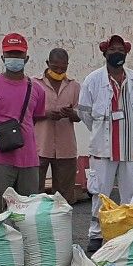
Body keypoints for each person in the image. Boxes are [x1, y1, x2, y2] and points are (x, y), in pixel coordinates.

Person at [79, 33, 133, 249]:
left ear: (126, 53)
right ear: (104, 53)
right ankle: (97, 234)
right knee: (100, 193)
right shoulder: (93, 80)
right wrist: (100, 131)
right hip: (103, 148)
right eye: (112, 50)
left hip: (131, 147)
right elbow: (85, 113)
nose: (117, 54)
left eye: (121, 50)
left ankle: (127, 232)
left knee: (131, 193)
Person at [0, 32, 48, 218]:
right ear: (2, 57)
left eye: (19, 55)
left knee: (28, 212)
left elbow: (35, 118)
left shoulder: (37, 89)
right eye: (10, 54)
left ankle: (23, 247)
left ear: (27, 58)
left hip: (29, 159)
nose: (14, 59)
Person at [37, 46, 84, 206]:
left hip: (66, 149)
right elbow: (26, 113)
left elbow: (81, 115)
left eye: (63, 68)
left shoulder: (74, 86)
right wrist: (46, 114)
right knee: (35, 195)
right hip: (39, 147)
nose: (58, 70)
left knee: (64, 199)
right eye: (55, 67)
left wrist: (72, 114)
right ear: (47, 63)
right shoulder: (35, 85)